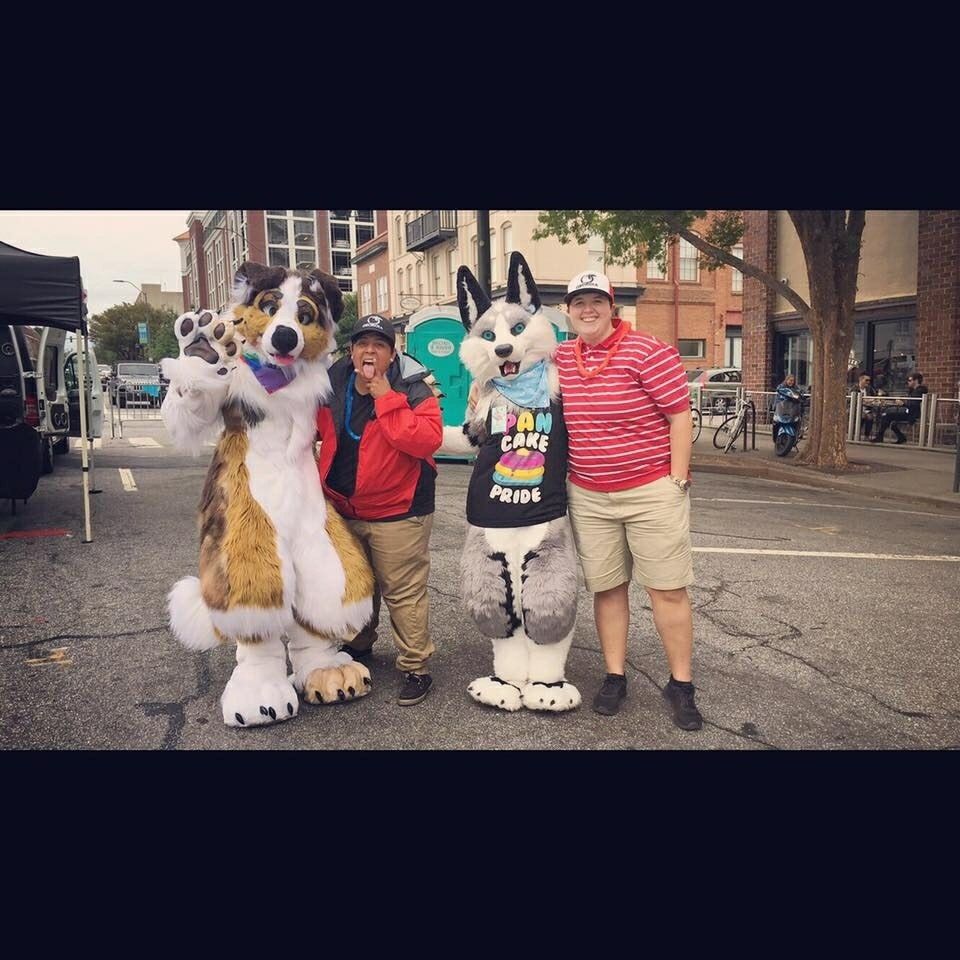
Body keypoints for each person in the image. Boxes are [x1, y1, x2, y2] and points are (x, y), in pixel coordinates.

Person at [554, 271, 702, 730]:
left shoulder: (647, 351)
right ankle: (615, 675)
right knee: (607, 588)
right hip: (589, 494)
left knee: (667, 590)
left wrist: (676, 480)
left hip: (650, 490)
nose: (588, 310)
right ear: (568, 310)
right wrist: (480, 386)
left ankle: (681, 684)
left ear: (611, 306)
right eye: (579, 302)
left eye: (596, 300)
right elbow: (512, 371)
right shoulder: (561, 357)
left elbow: (680, 415)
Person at [315, 315, 443, 705]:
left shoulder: (413, 386)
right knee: (356, 584)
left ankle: (416, 667)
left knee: (402, 592)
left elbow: (426, 440)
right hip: (344, 508)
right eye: (362, 344)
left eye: (379, 345)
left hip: (399, 508)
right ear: (351, 350)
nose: (369, 351)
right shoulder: (331, 382)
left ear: (392, 353)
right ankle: (358, 645)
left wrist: (386, 397)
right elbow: (309, 429)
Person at [871, 372, 928, 444]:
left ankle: (881, 436)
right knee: (889, 417)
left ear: (916, 381)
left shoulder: (919, 391)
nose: (908, 382)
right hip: (910, 412)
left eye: (910, 380)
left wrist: (903, 403)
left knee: (886, 415)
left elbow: (914, 404)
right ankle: (900, 437)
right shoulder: (914, 391)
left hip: (912, 414)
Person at [856, 373, 879, 440]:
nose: (868, 382)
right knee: (863, 416)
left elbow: (875, 397)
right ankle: (856, 434)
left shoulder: (869, 389)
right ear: (861, 380)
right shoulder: (855, 388)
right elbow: (853, 400)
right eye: (866, 380)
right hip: (856, 409)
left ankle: (866, 436)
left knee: (870, 417)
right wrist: (867, 401)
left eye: (869, 380)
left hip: (867, 409)